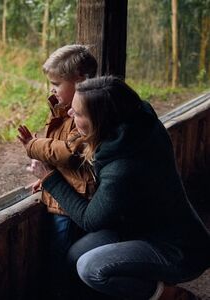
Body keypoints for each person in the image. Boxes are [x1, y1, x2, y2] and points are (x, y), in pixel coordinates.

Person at [31, 76, 210, 300]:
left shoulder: (124, 166)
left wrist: (50, 179)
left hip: (178, 250)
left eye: (77, 113)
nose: (69, 114)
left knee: (90, 268)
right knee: (76, 254)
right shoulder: (139, 125)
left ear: (99, 121)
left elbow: (90, 219)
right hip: (142, 227)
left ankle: (167, 294)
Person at [17, 44, 98, 298]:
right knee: (55, 257)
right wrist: (47, 179)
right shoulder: (65, 112)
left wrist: (33, 146)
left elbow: (68, 153)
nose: (52, 89)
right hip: (62, 196)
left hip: (72, 204)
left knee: (64, 261)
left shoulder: (90, 115)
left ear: (81, 81)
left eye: (56, 83)